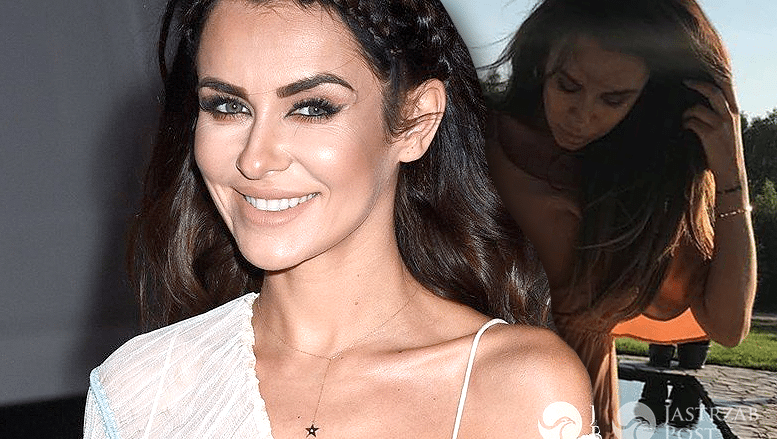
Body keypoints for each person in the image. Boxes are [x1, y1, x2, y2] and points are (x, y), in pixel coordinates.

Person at [83, 0, 595, 438]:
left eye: (311, 108)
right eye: (227, 106)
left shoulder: (517, 387)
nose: (255, 160)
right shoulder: (144, 388)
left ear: (415, 122)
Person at [484, 0, 756, 437]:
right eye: (568, 85)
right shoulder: (474, 141)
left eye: (613, 99)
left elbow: (728, 326)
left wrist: (732, 176)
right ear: (542, 60)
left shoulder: (648, 189)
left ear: (646, 94)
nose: (582, 115)